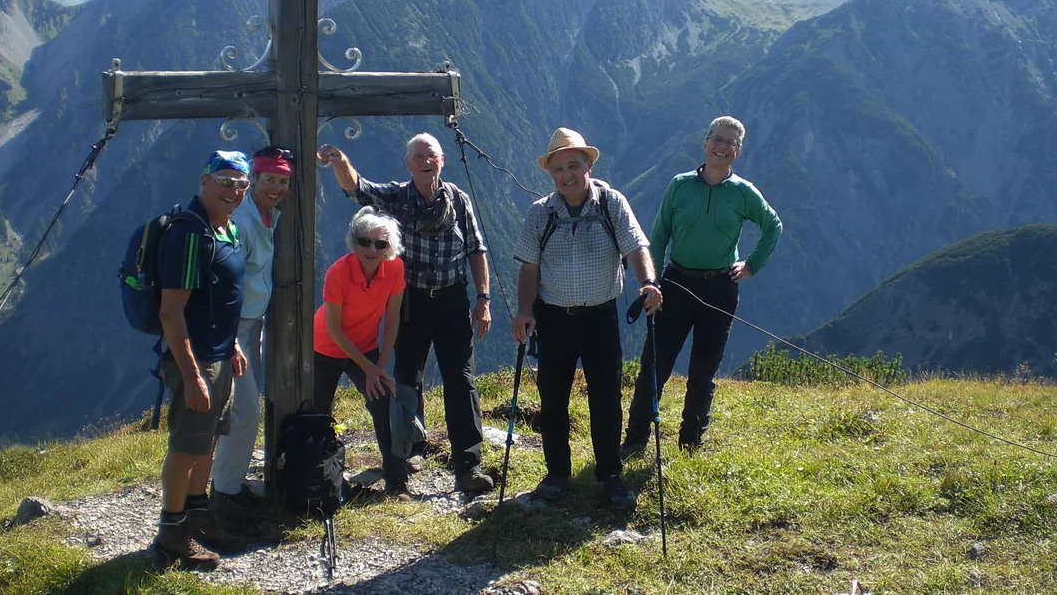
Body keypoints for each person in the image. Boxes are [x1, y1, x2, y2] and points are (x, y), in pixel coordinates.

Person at [317, 135, 495, 493]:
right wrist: (339, 160)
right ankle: (410, 449)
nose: (425, 161)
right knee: (408, 374)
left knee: (460, 378)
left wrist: (483, 298)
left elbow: (476, 249)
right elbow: (358, 188)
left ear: (442, 160)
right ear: (408, 163)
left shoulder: (457, 199)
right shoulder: (398, 196)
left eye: (430, 155)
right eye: (417, 157)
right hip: (412, 298)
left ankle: (468, 463)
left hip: (452, 299)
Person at [510, 127, 662, 510]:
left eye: (573, 165)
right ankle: (557, 474)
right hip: (554, 319)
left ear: (589, 165)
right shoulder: (540, 212)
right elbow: (529, 268)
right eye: (558, 168)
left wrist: (648, 283)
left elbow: (636, 246)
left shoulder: (611, 203)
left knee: (607, 398)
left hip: (599, 317)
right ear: (551, 173)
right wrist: (526, 310)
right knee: (553, 398)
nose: (566, 175)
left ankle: (610, 474)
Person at [621, 116, 782, 458]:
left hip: (721, 288)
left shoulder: (743, 193)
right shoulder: (679, 185)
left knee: (703, 370)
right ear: (705, 142)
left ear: (737, 151)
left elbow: (773, 226)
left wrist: (752, 264)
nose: (722, 147)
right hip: (675, 285)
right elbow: (660, 235)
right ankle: (635, 440)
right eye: (717, 139)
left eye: (730, 143)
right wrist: (652, 283)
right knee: (655, 364)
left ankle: (690, 443)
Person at [153, 150, 251, 571]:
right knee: (187, 445)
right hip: (197, 361)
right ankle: (171, 533)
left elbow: (215, 299)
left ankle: (198, 516)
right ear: (204, 181)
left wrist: (231, 344)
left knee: (208, 441)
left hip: (219, 354)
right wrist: (193, 377)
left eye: (241, 183)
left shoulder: (223, 230)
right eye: (225, 181)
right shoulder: (191, 235)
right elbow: (171, 312)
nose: (234, 190)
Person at [210, 146, 291, 515]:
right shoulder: (240, 221)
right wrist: (230, 340)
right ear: (253, 180)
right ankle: (226, 492)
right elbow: (223, 284)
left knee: (233, 408)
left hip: (250, 324)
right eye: (269, 179)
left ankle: (221, 484)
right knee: (242, 411)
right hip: (232, 328)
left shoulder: (268, 215)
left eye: (283, 181)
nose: (275, 187)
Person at [312, 207, 409, 499]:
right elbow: (334, 330)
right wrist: (369, 368)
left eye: (380, 244)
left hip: (366, 346)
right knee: (319, 416)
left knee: (384, 405)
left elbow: (392, 320)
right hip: (325, 347)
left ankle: (397, 481)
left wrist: (379, 367)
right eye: (364, 241)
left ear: (389, 249)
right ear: (354, 242)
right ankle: (322, 483)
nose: (371, 248)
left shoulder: (395, 269)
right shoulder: (338, 273)